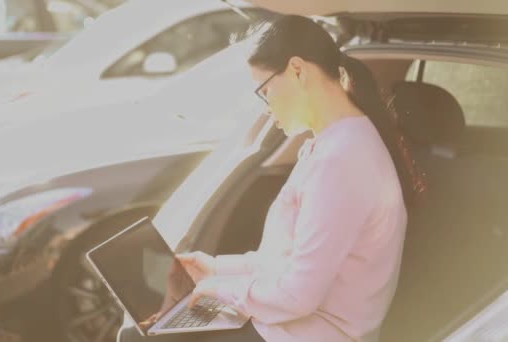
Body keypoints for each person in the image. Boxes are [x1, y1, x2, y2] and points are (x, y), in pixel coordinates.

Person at [119, 14, 426, 342]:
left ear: (297, 70)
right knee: (147, 331)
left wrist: (220, 292)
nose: (266, 106)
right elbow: (288, 261)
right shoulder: (335, 144)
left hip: (307, 333)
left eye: (265, 90)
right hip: (289, 326)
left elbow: (298, 296)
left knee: (142, 336)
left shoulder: (342, 161)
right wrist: (216, 268)